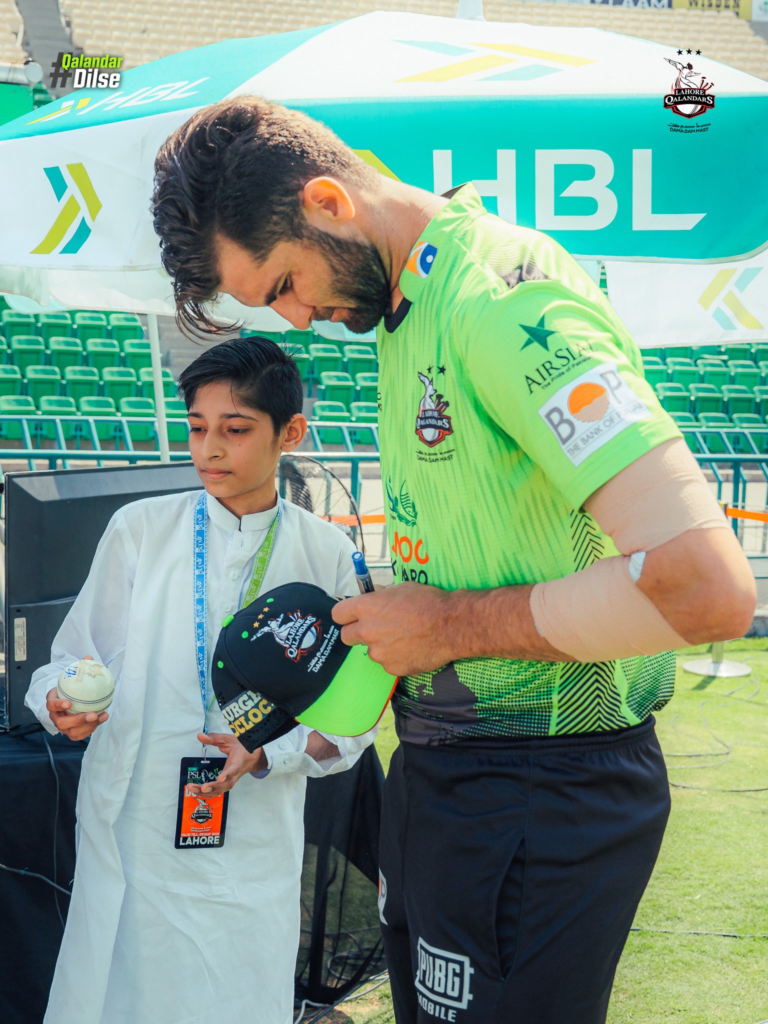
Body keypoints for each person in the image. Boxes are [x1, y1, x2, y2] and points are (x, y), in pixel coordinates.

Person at [150, 97, 756, 1024]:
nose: (298, 320)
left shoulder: (503, 300)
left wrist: (450, 626)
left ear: (329, 202)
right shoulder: (407, 306)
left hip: (542, 784)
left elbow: (705, 586)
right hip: (446, 778)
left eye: (284, 285)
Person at [25, 337, 375, 1024]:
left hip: (254, 835)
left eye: (235, 430)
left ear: (290, 433)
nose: (209, 449)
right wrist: (59, 700)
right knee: (123, 994)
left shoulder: (327, 552)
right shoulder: (141, 529)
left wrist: (270, 752)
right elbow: (71, 660)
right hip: (136, 821)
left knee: (238, 993)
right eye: (196, 428)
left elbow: (353, 723)